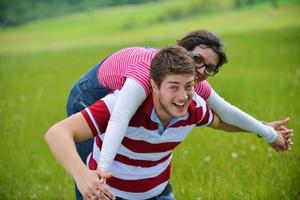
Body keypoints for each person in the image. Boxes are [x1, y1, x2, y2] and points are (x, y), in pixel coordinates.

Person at [66, 30, 291, 199]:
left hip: (128, 98)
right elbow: (120, 117)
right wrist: (103, 168)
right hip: (91, 94)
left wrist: (267, 131)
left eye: (209, 68)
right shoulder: (148, 74)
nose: (201, 70)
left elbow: (225, 112)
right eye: (198, 59)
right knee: (90, 175)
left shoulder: (186, 81)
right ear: (182, 49)